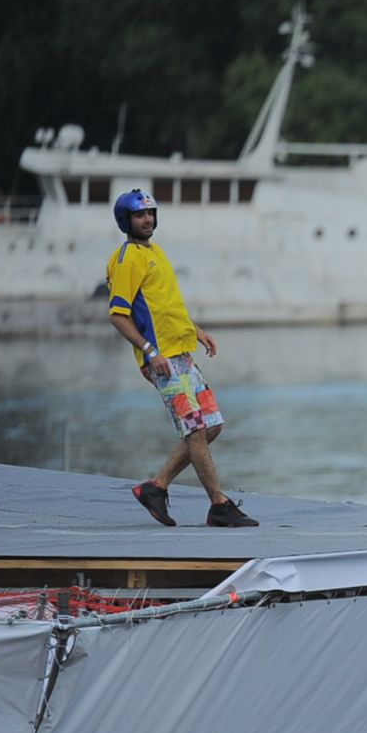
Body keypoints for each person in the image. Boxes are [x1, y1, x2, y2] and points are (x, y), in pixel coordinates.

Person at [107, 188, 259, 528]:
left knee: (212, 425)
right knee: (194, 430)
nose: (146, 220)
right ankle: (219, 504)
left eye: (150, 214)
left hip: (182, 354)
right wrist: (149, 352)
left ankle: (156, 487)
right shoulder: (127, 258)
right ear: (126, 220)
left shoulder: (154, 252)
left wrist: (196, 329)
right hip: (161, 359)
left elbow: (164, 306)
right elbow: (118, 314)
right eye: (139, 215)